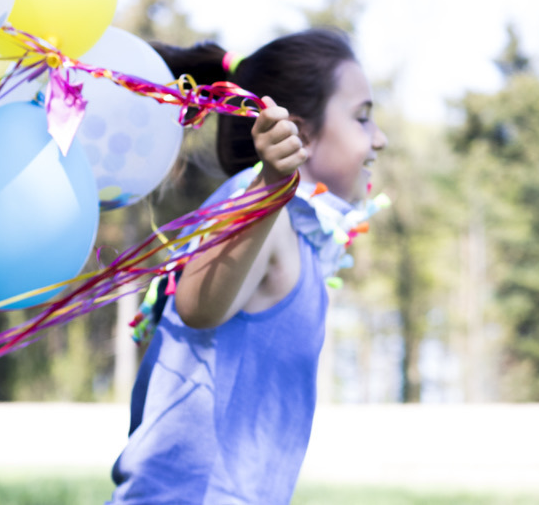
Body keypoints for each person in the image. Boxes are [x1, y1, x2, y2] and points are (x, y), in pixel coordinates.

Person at [108, 27, 388, 504]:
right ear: (298, 133)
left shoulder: (293, 225)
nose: (379, 139)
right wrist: (269, 188)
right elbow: (197, 305)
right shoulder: (260, 207)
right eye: (362, 118)